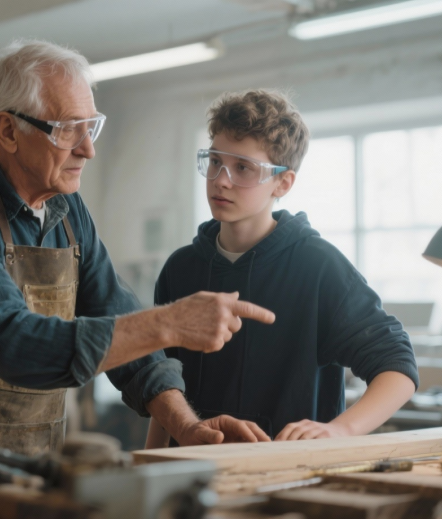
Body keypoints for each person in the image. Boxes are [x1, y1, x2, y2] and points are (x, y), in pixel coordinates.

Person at [0, 41, 274, 482]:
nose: (87, 150)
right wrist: (170, 322)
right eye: (67, 130)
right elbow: (13, 344)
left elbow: (120, 319)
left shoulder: (66, 209)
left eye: (90, 127)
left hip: (32, 474)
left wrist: (187, 427)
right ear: (8, 131)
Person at [146, 90, 418, 447]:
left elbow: (397, 366)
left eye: (243, 167)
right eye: (215, 161)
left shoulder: (319, 266)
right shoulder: (180, 268)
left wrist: (340, 430)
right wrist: (150, 462)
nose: (221, 179)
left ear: (283, 183)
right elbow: (164, 384)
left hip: (293, 475)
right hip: (193, 476)